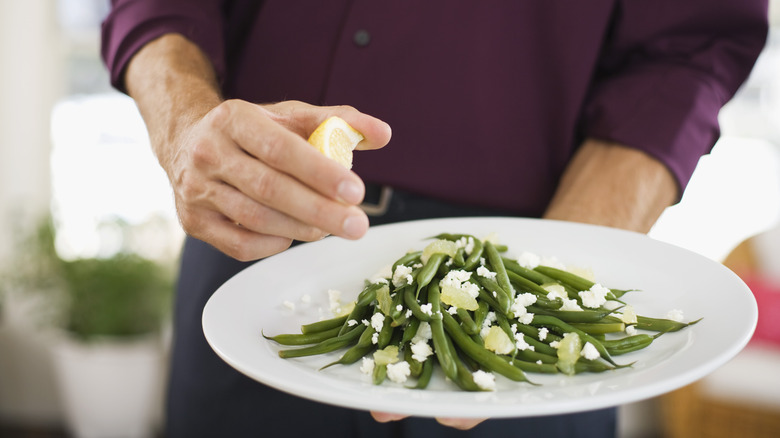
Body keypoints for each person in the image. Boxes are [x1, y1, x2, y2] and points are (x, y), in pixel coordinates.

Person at [101, 1, 768, 437]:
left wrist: (543, 279)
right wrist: (183, 124)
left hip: (533, 300)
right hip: (257, 260)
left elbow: (692, 42)